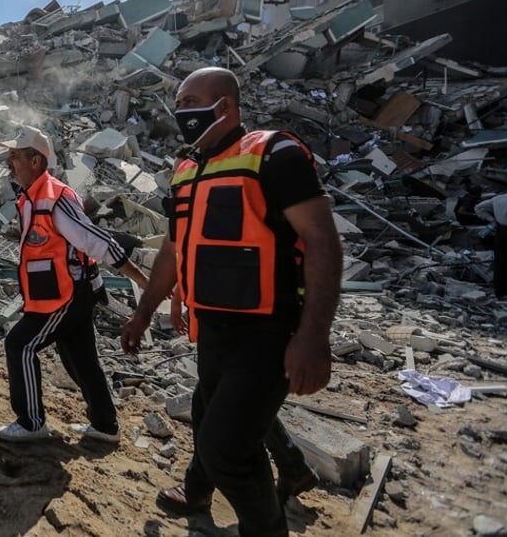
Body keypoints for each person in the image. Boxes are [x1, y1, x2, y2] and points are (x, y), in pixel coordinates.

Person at [121, 67, 342, 536]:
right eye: (178, 105)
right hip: (212, 332)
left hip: (267, 331)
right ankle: (201, 492)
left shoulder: (273, 152)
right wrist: (143, 314)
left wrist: (313, 338)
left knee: (227, 447)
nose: (182, 113)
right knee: (208, 420)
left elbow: (322, 240)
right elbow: (171, 249)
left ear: (224, 107)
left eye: (191, 102)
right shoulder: (185, 169)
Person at [0, 125, 150, 443]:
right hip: (61, 291)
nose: (10, 162)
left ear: (36, 161)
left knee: (20, 345)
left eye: (16, 156)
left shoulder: (54, 198)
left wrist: (146, 283)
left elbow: (98, 242)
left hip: (65, 294)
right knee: (80, 357)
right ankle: (105, 427)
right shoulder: (31, 198)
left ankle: (31, 422)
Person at [168, 289, 318, 509]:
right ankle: (293, 467)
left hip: (243, 317)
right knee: (241, 401)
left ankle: (199, 488)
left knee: (217, 403)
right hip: (228, 316)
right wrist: (178, 296)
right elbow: (190, 256)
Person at [474, 192, 507, 298]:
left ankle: (500, 292)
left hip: (502, 230)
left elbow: (479, 208)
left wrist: (492, 220)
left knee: (500, 262)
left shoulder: (498, 199)